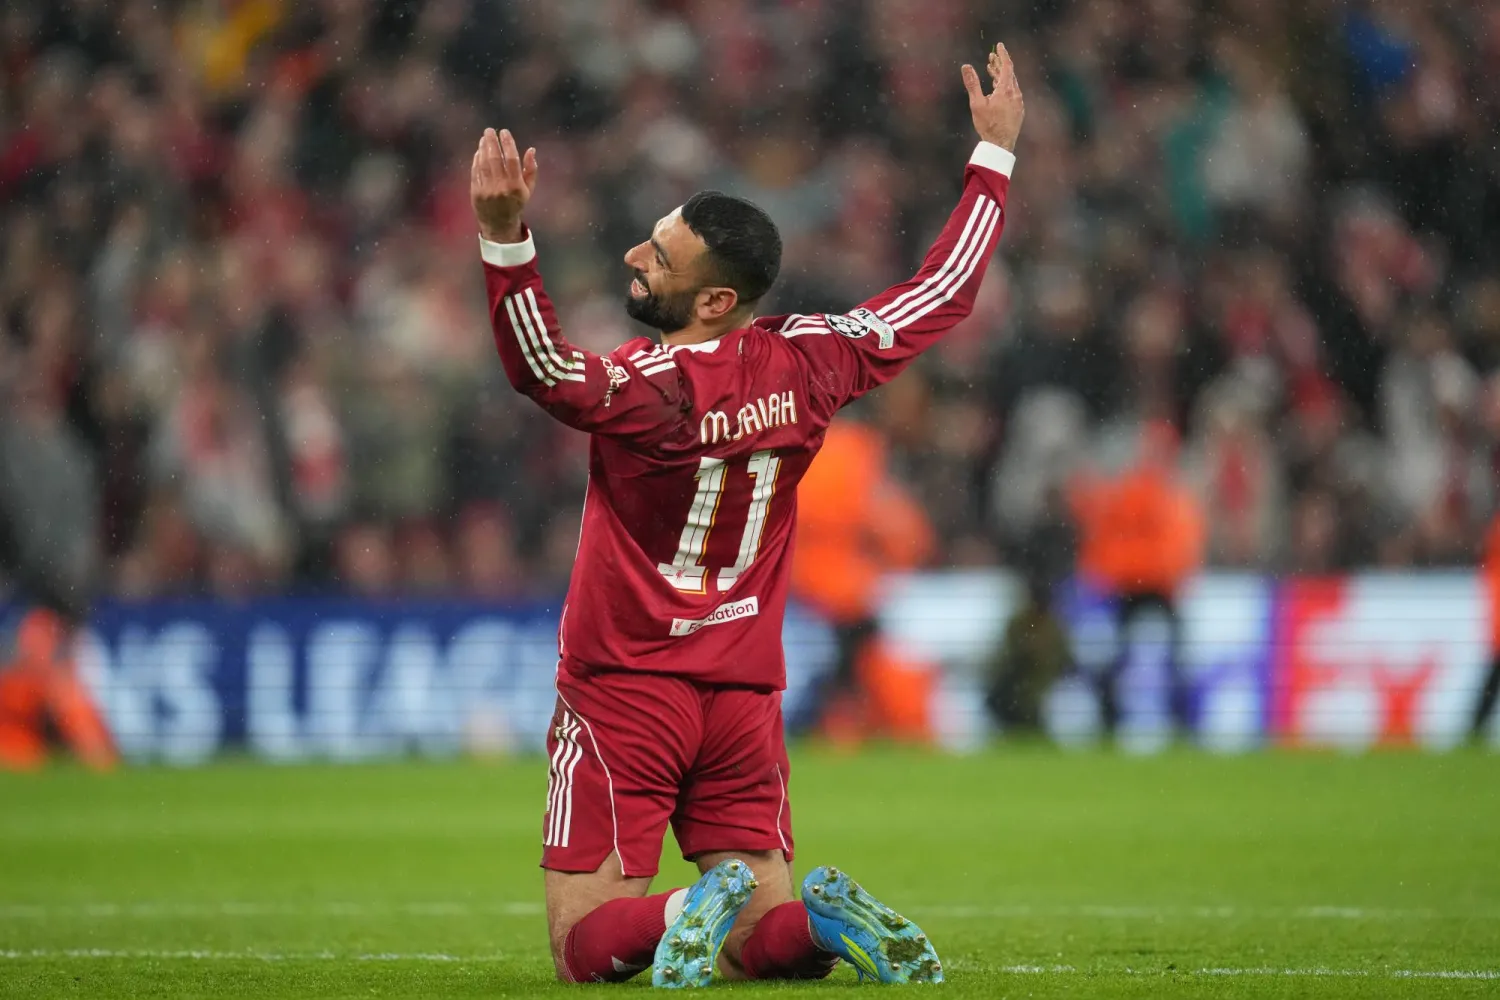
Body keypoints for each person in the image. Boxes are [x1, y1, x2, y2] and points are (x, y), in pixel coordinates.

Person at [470, 44, 1024, 988]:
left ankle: (684, 906)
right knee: (759, 938)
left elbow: (545, 370)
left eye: (659, 256)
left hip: (625, 688)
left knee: (582, 945)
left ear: (715, 299)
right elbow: (941, 293)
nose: (635, 257)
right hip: (742, 695)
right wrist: (995, 157)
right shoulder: (813, 361)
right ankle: (823, 929)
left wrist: (504, 239)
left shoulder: (651, 389)